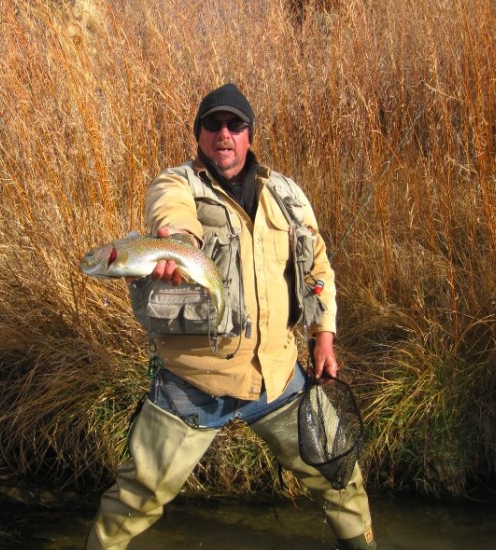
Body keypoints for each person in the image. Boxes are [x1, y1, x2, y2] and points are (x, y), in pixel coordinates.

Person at [86, 83, 377, 550]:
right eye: (213, 124)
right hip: (194, 381)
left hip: (279, 376)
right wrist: (176, 243)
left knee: (340, 476)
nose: (224, 133)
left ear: (248, 134)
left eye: (234, 125)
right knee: (136, 498)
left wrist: (324, 336)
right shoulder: (176, 183)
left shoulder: (287, 194)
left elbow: (317, 268)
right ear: (199, 134)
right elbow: (172, 217)